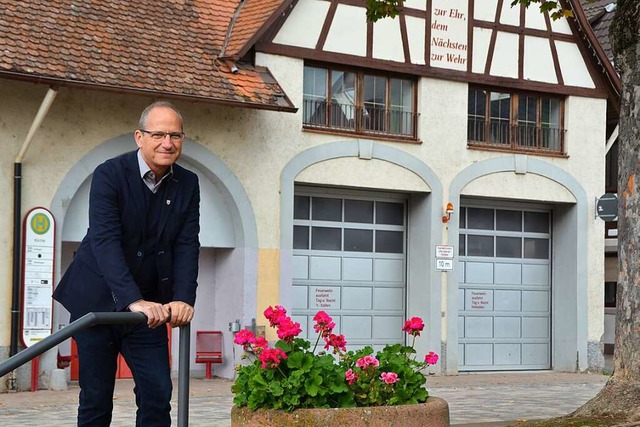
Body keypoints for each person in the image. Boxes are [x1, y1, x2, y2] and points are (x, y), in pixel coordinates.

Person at [53, 101, 200, 426]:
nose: (167, 142)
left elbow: (187, 243)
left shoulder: (188, 183)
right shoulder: (110, 174)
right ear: (139, 137)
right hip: (97, 304)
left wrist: (183, 298)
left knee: (158, 395)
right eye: (158, 134)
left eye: (175, 135)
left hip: (146, 312)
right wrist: (133, 300)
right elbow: (105, 241)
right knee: (95, 400)